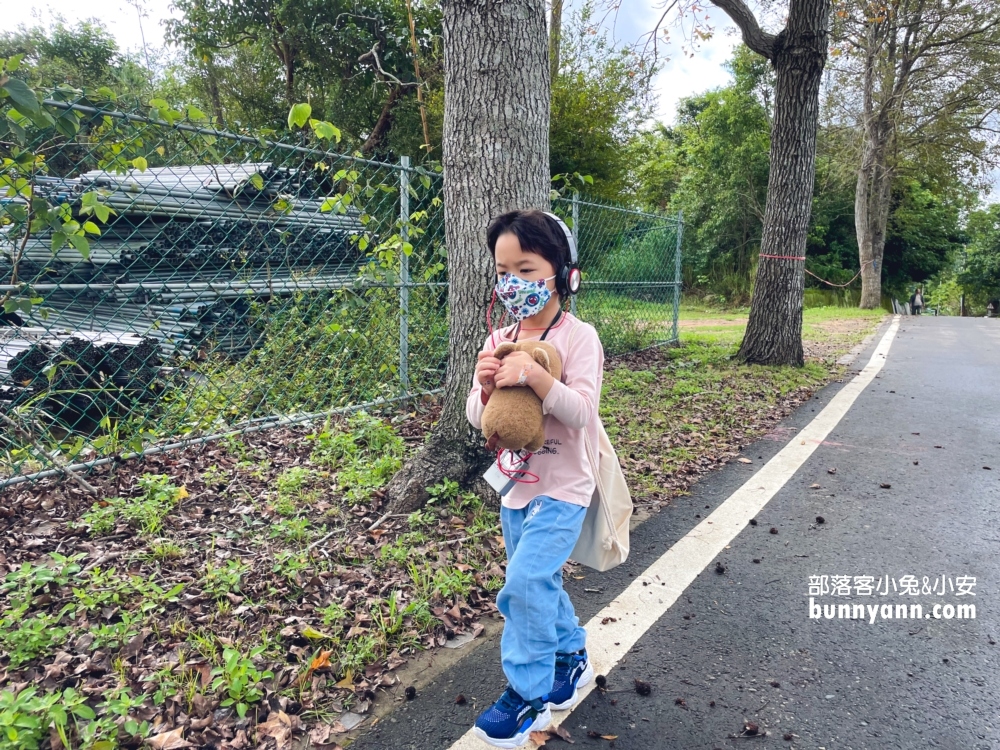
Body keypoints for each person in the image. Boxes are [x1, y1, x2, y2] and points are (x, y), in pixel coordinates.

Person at [466, 209, 604, 748]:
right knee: (537, 580)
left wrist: (538, 378)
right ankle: (570, 655)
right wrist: (482, 390)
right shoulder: (499, 336)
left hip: (564, 487)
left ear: (562, 274)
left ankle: (527, 696)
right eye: (503, 272)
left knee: (523, 583)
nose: (512, 284)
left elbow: (582, 413)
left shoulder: (579, 338)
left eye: (526, 270)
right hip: (516, 486)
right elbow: (481, 420)